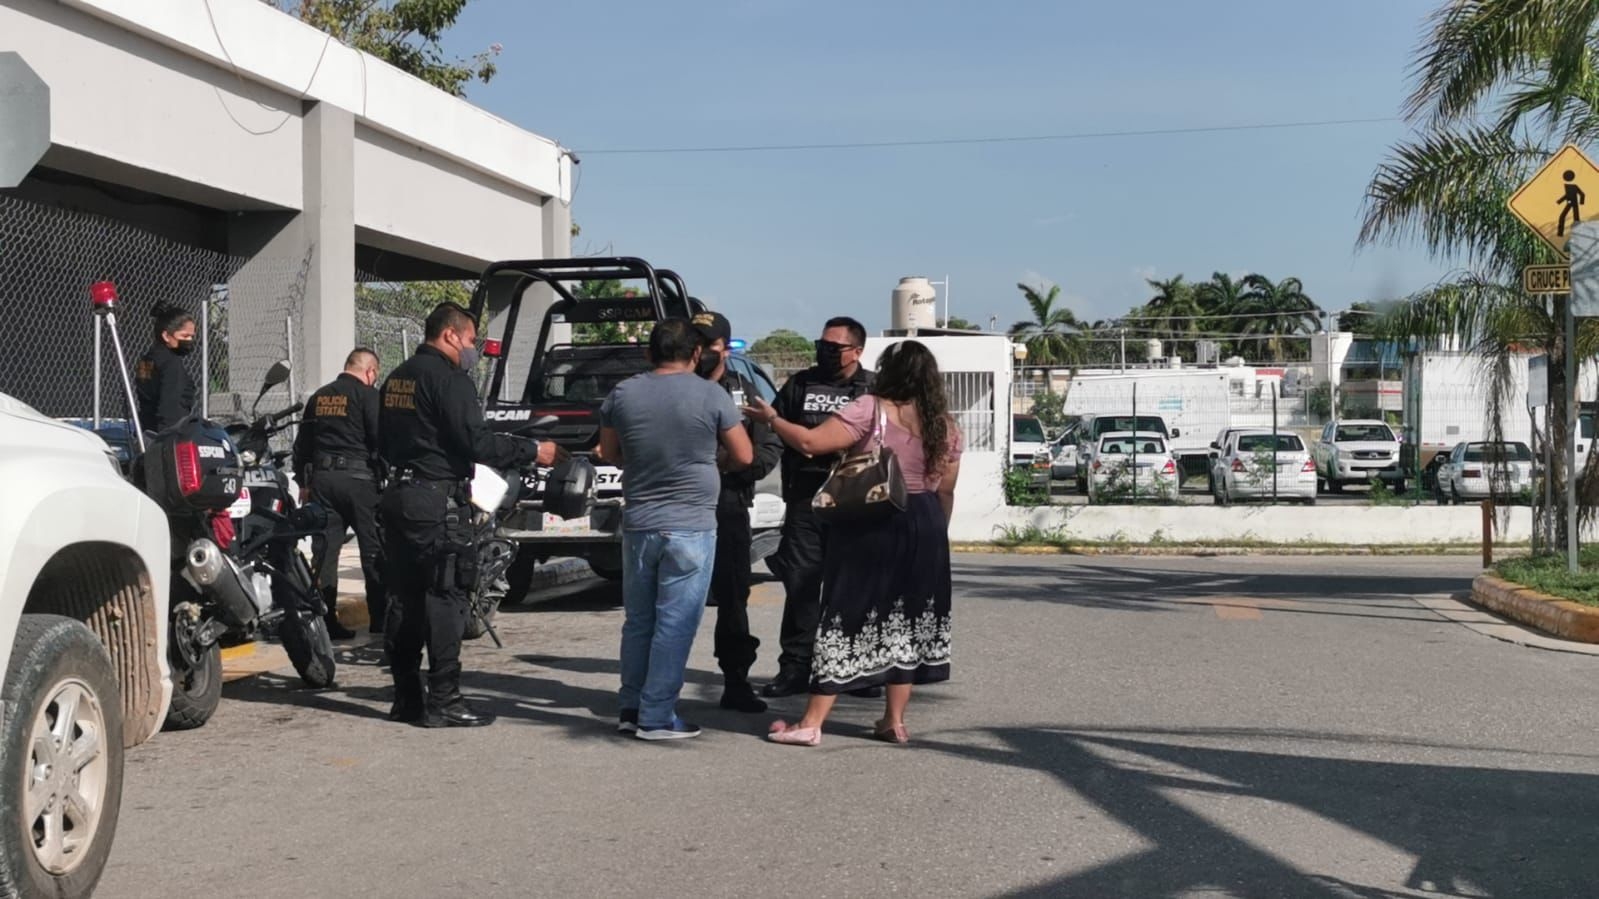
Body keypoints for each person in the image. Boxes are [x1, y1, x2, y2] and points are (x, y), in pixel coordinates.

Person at [742, 340, 962, 746]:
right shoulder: (945, 424)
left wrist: (773, 418)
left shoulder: (871, 408)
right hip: (927, 523)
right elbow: (945, 489)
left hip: (874, 519)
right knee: (908, 622)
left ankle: (810, 723)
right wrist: (934, 532)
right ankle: (893, 720)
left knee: (845, 612)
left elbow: (810, 443)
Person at [378, 303, 557, 728]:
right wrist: (533, 450)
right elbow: (476, 443)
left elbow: (381, 439)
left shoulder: (396, 378)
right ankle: (444, 698)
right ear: (451, 335)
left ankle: (406, 698)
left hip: (398, 496)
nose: (474, 349)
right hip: (436, 500)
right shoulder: (448, 378)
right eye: (472, 340)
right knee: (447, 597)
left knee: (403, 598)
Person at [598, 318, 754, 741]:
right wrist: (709, 460)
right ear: (695, 356)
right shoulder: (712, 395)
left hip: (641, 523)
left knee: (639, 621)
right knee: (675, 623)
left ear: (649, 353)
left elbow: (610, 452)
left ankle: (630, 706)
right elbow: (744, 454)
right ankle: (657, 715)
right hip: (691, 522)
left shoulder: (623, 393)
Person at [761, 316, 875, 699]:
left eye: (834, 347)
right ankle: (795, 668)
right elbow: (774, 433)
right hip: (806, 501)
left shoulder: (873, 387)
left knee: (856, 588)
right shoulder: (801, 384)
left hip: (856, 502)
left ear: (857, 351)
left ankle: (856, 669)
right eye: (821, 344)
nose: (825, 352)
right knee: (801, 586)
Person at [690, 311, 783, 714]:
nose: (700, 353)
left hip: (728, 504)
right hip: (684, 506)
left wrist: (735, 465)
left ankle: (736, 680)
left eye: (708, 345)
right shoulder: (676, 386)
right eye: (694, 344)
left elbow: (768, 449)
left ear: (724, 348)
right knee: (672, 600)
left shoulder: (744, 393)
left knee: (732, 598)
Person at [293, 348, 384, 641]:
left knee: (325, 553)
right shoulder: (368, 396)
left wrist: (303, 482)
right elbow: (380, 439)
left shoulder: (319, 397)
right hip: (360, 482)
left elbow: (302, 445)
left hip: (322, 481)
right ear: (370, 371)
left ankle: (324, 622)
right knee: (373, 550)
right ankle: (380, 620)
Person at [134, 303, 198, 433]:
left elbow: (145, 394)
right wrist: (171, 437)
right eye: (185, 336)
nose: (190, 340)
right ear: (166, 336)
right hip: (168, 433)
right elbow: (171, 405)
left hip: (146, 430)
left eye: (192, 336)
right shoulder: (171, 362)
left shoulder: (146, 360)